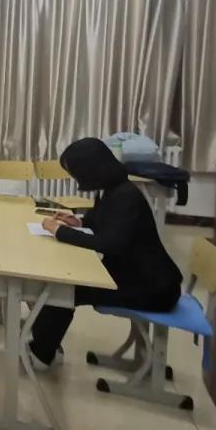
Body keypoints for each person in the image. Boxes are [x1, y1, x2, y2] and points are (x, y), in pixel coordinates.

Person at [28, 138, 184, 370]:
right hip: (137, 275)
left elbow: (107, 244)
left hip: (152, 289)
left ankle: (41, 354)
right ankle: (46, 347)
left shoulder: (126, 197)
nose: (76, 179)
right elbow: (105, 224)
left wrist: (59, 231)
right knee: (62, 285)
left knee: (63, 288)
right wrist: (79, 222)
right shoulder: (115, 189)